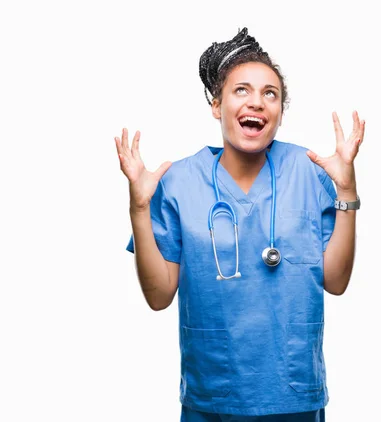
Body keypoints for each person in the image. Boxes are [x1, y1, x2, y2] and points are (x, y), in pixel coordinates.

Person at [115, 28, 365, 421]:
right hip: (214, 394)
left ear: (281, 111)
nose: (258, 102)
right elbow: (159, 295)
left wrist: (347, 188)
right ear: (217, 105)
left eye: (271, 94)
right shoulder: (178, 182)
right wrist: (139, 210)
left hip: (292, 393)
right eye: (241, 90)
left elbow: (335, 281)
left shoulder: (309, 171)